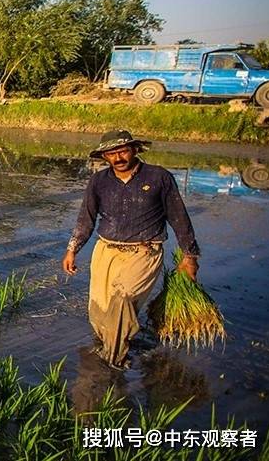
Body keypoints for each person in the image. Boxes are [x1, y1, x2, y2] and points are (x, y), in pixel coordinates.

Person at [62, 129, 201, 369]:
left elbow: (179, 217)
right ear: (104, 157)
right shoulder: (99, 181)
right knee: (99, 310)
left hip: (144, 251)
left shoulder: (158, 177)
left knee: (122, 300)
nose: (118, 158)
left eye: (123, 151)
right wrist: (72, 249)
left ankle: (113, 363)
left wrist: (190, 256)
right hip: (106, 251)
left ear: (135, 150)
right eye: (111, 154)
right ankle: (107, 346)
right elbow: (86, 218)